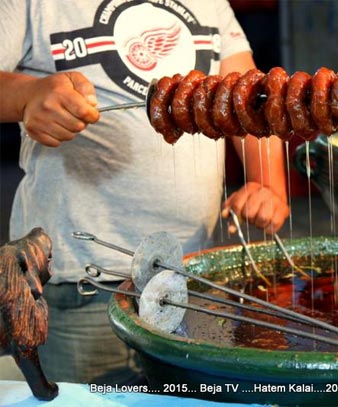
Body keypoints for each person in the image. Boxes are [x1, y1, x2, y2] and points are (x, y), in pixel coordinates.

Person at [0, 0, 289, 385]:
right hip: (85, 283)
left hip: (195, 279)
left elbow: (249, 96)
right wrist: (27, 95)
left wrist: (268, 183)